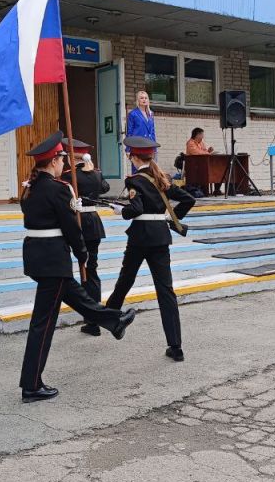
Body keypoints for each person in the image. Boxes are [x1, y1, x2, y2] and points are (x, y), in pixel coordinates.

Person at [19, 131, 136, 403]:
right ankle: (32, 385)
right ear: (52, 162)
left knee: (75, 296)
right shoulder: (58, 189)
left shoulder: (29, 188)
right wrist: (81, 254)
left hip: (39, 258)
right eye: (61, 157)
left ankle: (113, 321)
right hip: (52, 259)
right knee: (43, 324)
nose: (63, 162)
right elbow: (71, 227)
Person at [105, 136, 195, 362]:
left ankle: (106, 318)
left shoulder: (135, 180)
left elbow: (135, 209)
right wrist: (168, 218)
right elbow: (188, 199)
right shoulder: (162, 178)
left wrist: (120, 211)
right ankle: (176, 346)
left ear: (134, 157)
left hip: (139, 238)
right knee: (166, 291)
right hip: (160, 237)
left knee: (126, 279)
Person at [60, 138, 112, 337]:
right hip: (94, 222)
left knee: (79, 271)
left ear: (73, 157)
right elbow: (105, 188)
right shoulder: (96, 173)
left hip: (77, 222)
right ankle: (94, 319)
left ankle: (90, 317)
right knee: (92, 269)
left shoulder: (69, 175)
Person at [126, 91, 156, 173]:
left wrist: (154, 148)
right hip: (137, 146)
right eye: (141, 98)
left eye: (146, 98)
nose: (144, 100)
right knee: (137, 170)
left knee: (150, 170)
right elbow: (129, 132)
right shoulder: (133, 114)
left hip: (149, 146)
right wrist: (128, 149)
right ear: (138, 100)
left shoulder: (151, 114)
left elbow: (153, 132)